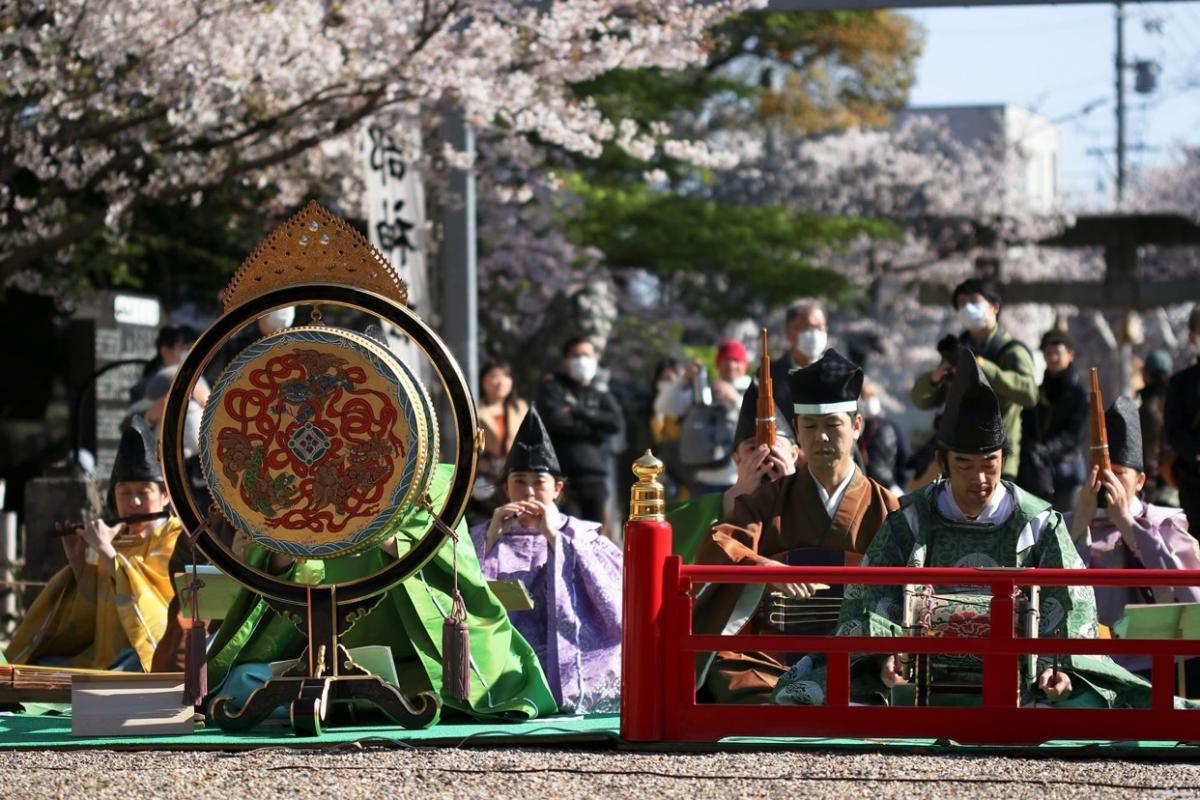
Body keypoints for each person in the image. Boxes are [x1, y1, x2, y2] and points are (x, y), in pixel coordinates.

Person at [774, 350, 1159, 709]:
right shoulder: (912, 520)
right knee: (806, 694)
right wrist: (885, 656)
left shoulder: (1038, 521)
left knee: (1110, 704)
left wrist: (1055, 665)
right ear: (942, 461)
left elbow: (1073, 606)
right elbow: (868, 602)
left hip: (1023, 683)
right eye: (964, 464)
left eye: (990, 462)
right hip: (919, 678)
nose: (980, 477)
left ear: (1004, 459)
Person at [205, 459, 558, 722]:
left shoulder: (432, 481)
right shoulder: (298, 479)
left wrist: (371, 526)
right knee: (242, 682)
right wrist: (285, 549)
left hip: (418, 658)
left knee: (469, 685)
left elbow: (449, 559)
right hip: (318, 655)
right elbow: (282, 570)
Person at [692, 349, 898, 703]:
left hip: (855, 660)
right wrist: (762, 569)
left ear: (856, 426)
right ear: (798, 435)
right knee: (738, 681)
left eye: (833, 425)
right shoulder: (766, 502)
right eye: (810, 427)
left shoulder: (887, 508)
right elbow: (720, 546)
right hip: (769, 660)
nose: (821, 439)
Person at [469, 408, 623, 713]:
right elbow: (458, 588)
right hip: (502, 657)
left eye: (539, 481)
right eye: (519, 481)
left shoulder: (584, 537)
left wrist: (555, 539)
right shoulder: (482, 534)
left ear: (558, 487)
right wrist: (489, 541)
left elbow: (614, 602)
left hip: (561, 658)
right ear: (505, 487)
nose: (528, 491)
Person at [6, 417, 184, 671]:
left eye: (143, 492)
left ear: (165, 496)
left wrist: (105, 552)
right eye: (124, 492)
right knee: (37, 664)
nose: (133, 502)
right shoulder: (117, 541)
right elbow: (89, 618)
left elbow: (153, 603)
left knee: (128, 668)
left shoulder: (174, 537)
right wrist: (80, 565)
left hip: (149, 653)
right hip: (103, 654)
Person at [1069, 396, 1200, 692]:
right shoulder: (1066, 523)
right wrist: (1079, 526)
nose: (1107, 481)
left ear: (1140, 481)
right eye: (1101, 472)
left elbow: (1192, 598)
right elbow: (1058, 596)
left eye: (1118, 473)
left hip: (1159, 666)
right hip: (1088, 666)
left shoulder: (1166, 524)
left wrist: (1128, 525)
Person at [911, 279, 1036, 478]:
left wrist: (983, 367)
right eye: (961, 304)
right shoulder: (958, 350)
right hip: (957, 456)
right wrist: (936, 377)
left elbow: (1029, 393)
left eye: (974, 301)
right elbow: (922, 400)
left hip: (996, 458)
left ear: (995, 306)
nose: (967, 308)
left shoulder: (1011, 351)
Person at [666, 380, 801, 563]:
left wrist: (790, 492)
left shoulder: (815, 499)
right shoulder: (708, 510)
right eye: (753, 449)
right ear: (736, 459)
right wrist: (737, 496)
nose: (766, 458)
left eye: (775, 447)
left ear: (794, 454)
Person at [535, 337, 623, 525]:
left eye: (587, 355)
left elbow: (615, 423)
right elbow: (556, 421)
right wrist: (594, 428)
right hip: (564, 477)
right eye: (576, 355)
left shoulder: (599, 393)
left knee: (595, 536)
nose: (582, 360)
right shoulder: (554, 387)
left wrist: (577, 411)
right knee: (568, 533)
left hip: (596, 476)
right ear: (565, 360)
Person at [1017, 329, 1088, 509]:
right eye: (1048, 353)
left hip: (1066, 469)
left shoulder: (1078, 395)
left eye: (1057, 352)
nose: (1052, 358)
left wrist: (1046, 449)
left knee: (1066, 524)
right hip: (1038, 470)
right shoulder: (1038, 392)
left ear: (1070, 354)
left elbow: (1073, 435)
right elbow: (1027, 426)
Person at [679, 340, 753, 495]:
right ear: (718, 364)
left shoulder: (754, 389)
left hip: (741, 480)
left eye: (736, 361)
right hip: (705, 479)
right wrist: (684, 379)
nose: (731, 365)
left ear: (745, 365)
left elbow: (763, 422)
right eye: (727, 360)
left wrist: (736, 401)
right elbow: (665, 406)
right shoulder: (705, 389)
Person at [470, 361, 529, 522]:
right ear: (483, 381)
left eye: (505, 376)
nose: (500, 381)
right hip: (488, 480)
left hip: (515, 477)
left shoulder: (520, 408)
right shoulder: (475, 411)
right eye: (494, 376)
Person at [1165, 308, 1200, 532]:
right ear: (1192, 336)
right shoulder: (1181, 383)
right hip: (1193, 480)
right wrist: (1195, 453)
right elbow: (1173, 428)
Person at [857, 379, 908, 495]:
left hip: (887, 489)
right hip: (860, 489)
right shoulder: (853, 427)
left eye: (872, 395)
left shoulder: (891, 426)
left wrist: (899, 486)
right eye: (865, 396)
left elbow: (903, 458)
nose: (870, 400)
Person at [769, 300, 827, 391]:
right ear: (788, 332)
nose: (814, 335)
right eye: (807, 327)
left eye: (820, 327)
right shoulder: (768, 376)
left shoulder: (841, 374)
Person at [1139, 349, 1173, 504]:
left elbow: (1150, 453)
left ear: (1146, 374)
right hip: (1179, 480)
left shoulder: (1149, 408)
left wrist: (1149, 488)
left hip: (1159, 486)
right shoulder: (1178, 401)